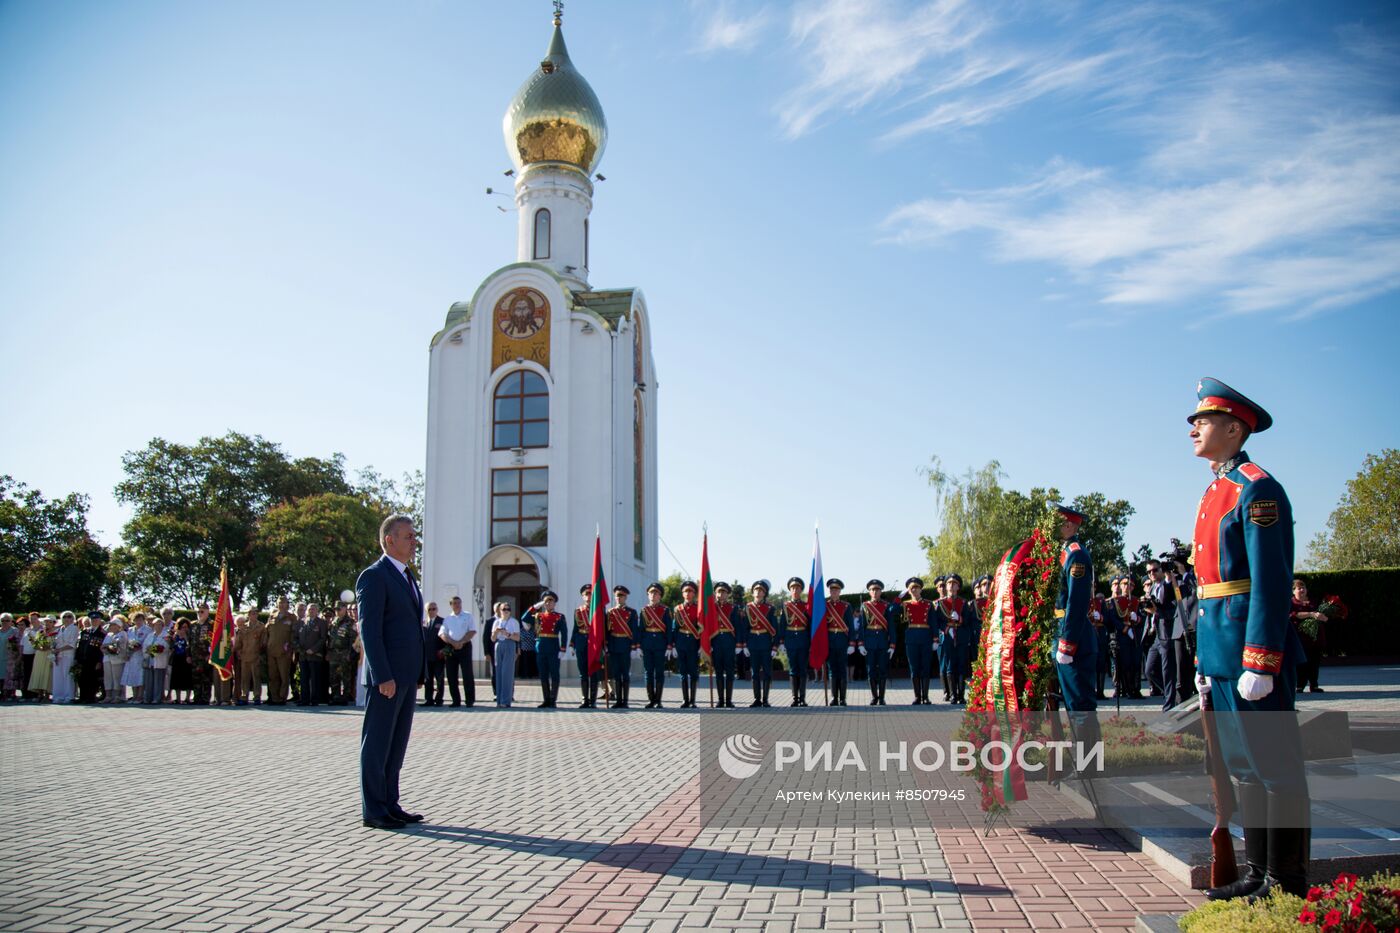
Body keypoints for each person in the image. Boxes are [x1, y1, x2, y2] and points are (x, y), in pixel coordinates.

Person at [1186, 378, 1310, 901]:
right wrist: (1205, 654)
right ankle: (1258, 875)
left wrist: (1261, 658)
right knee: (1243, 768)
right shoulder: (1217, 489)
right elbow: (1209, 585)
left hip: (1250, 652)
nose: (1194, 428)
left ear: (1235, 428)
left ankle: (1286, 883)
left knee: (1275, 767)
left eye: (1204, 420)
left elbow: (1272, 579)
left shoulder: (1257, 488)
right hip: (1221, 647)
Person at [356, 513, 429, 830]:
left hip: (407, 676)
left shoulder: (407, 575)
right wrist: (382, 674)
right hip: (387, 678)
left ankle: (390, 802)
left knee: (396, 743)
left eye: (414, 536)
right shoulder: (374, 576)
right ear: (390, 540)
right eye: (409, 536)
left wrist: (418, 672)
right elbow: (369, 631)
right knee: (377, 743)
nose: (415, 541)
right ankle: (374, 809)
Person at [1052, 505, 1098, 734]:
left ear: (1069, 525)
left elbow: (1077, 603)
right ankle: (1083, 765)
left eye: (1057, 522)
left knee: (1080, 707)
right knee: (1071, 705)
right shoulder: (1064, 552)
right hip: (1060, 631)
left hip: (1074, 639)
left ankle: (1088, 768)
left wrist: (1067, 644)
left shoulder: (1076, 554)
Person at [521, 591, 567, 708]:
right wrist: (536, 606)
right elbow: (524, 618)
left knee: (554, 674)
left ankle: (553, 699)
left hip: (553, 647)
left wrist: (563, 649)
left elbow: (564, 633)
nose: (548, 603)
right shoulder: (538, 616)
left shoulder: (559, 617)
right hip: (541, 647)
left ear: (554, 603)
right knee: (543, 674)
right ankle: (546, 699)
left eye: (550, 601)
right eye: (546, 601)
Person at [739, 580, 778, 708]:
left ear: (764, 593)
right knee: (755, 672)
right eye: (756, 589)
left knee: (767, 672)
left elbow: (774, 628)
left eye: (761, 590)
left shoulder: (770, 608)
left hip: (766, 642)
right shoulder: (747, 608)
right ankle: (757, 699)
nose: (758, 592)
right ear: (753, 592)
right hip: (753, 643)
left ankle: (765, 699)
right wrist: (744, 644)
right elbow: (744, 628)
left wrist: (774, 646)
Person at [861, 580, 897, 706]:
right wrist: (860, 644)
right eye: (872, 590)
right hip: (870, 642)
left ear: (881, 591)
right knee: (871, 671)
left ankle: (881, 697)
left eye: (877, 590)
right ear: (869, 592)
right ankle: (874, 697)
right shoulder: (865, 606)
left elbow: (891, 626)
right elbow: (862, 626)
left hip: (882, 642)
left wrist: (892, 644)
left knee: (882, 670)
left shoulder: (886, 606)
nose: (875, 592)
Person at [638, 583, 672, 709]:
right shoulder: (643, 610)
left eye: (656, 593)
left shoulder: (665, 610)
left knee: (659, 673)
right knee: (648, 673)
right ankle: (651, 700)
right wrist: (639, 646)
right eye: (651, 593)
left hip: (660, 644)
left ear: (660, 596)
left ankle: (658, 700)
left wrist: (669, 646)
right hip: (647, 644)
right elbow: (640, 629)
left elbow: (669, 629)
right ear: (648, 595)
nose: (653, 595)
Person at [821, 579, 855, 707]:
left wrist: (851, 643)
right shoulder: (824, 605)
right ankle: (834, 698)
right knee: (832, 671)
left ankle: (843, 698)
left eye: (836, 590)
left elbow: (850, 625)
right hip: (829, 641)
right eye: (832, 590)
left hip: (842, 640)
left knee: (842, 670)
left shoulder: (846, 606)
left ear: (840, 591)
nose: (834, 592)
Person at [902, 577, 936, 706]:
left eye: (916, 587)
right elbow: (891, 612)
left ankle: (925, 696)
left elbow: (933, 622)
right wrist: (898, 599)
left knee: (926, 667)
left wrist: (935, 639)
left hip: (926, 636)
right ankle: (917, 696)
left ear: (921, 589)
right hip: (911, 638)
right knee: (914, 668)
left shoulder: (928, 604)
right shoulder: (905, 604)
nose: (914, 590)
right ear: (909, 591)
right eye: (911, 588)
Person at [605, 586, 639, 708]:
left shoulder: (632, 612)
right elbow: (607, 631)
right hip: (614, 645)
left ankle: (625, 701)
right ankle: (618, 700)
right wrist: (606, 645)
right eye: (617, 596)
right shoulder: (610, 612)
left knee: (625, 674)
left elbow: (634, 630)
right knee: (616, 674)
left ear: (625, 597)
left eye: (621, 596)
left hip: (625, 645)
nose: (619, 598)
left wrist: (635, 647)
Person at [1290, 579, 1326, 693]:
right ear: (1293, 591)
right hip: (1300, 638)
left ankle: (1314, 685)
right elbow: (1292, 615)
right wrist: (1310, 614)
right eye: (1299, 588)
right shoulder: (1291, 603)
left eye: (1303, 588)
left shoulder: (1313, 602)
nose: (1302, 590)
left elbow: (1323, 616)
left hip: (1314, 638)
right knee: (1301, 663)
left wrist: (1323, 617)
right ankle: (1299, 685)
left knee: (1314, 662)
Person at [781, 577, 811, 708]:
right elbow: (782, 624)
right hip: (790, 639)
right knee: (793, 670)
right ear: (790, 590)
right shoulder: (785, 606)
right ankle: (795, 698)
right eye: (793, 588)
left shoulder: (806, 606)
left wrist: (811, 642)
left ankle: (803, 698)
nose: (795, 590)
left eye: (797, 588)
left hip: (803, 639)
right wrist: (781, 642)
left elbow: (810, 625)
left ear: (801, 590)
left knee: (803, 669)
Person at [711, 583, 741, 708]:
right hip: (716, 642)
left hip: (729, 641)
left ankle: (728, 700)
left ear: (727, 594)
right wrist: (708, 643)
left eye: (724, 592)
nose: (721, 594)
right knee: (718, 672)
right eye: (719, 591)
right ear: (715, 593)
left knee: (729, 672)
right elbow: (707, 627)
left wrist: (738, 644)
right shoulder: (711, 608)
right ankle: (720, 700)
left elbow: (738, 626)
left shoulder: (733, 608)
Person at [326, 601, 361, 706]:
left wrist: (350, 654)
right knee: (334, 676)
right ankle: (335, 696)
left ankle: (345, 697)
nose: (337, 611)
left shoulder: (350, 623)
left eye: (339, 609)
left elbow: (353, 640)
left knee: (345, 676)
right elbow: (329, 638)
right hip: (333, 654)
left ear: (345, 609)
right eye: (336, 609)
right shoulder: (333, 622)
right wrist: (328, 652)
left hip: (345, 653)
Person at [571, 584, 600, 708]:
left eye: (590, 594)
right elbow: (575, 628)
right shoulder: (578, 611)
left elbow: (603, 629)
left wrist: (604, 644)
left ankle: (593, 700)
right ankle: (585, 699)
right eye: (585, 594)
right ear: (582, 596)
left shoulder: (598, 610)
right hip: (581, 642)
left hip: (594, 644)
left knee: (593, 672)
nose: (588, 597)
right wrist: (572, 644)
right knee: (583, 673)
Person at [491, 600, 521, 708]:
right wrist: (496, 632)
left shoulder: (514, 622)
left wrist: (507, 634)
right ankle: (499, 700)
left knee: (507, 673)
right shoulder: (496, 622)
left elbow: (517, 637)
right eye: (504, 609)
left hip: (509, 644)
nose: (506, 611)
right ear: (500, 611)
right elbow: (493, 638)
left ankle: (506, 700)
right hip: (499, 645)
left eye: (508, 609)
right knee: (498, 671)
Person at [234, 606, 266, 706]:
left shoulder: (261, 626)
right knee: (245, 678)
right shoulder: (244, 627)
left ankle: (257, 697)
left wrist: (261, 654)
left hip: (256, 656)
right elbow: (239, 641)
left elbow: (264, 641)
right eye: (252, 613)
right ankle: (244, 697)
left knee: (256, 677)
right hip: (245, 656)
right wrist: (238, 650)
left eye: (256, 613)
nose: (254, 615)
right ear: (248, 615)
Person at [141, 616, 172, 705]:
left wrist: (153, 649)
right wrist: (149, 651)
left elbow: (165, 647)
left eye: (159, 625)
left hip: (160, 661)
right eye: (156, 625)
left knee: (158, 681)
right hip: (149, 660)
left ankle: (157, 698)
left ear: (163, 626)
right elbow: (145, 646)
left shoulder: (166, 635)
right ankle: (148, 698)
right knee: (149, 681)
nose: (157, 626)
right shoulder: (150, 635)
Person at [51, 611, 80, 704]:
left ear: (73, 618)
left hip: (68, 654)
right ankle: (58, 696)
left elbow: (72, 644)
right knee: (58, 676)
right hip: (58, 655)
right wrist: (53, 648)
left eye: (69, 617)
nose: (67, 618)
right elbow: (55, 641)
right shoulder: (59, 629)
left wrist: (59, 650)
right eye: (64, 617)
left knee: (68, 675)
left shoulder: (74, 628)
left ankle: (69, 696)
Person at [189, 604, 214, 706]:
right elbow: (189, 641)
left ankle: (205, 698)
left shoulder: (212, 624)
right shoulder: (193, 624)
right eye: (198, 611)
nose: (200, 614)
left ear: (208, 611)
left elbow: (214, 641)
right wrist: (188, 655)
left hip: (206, 656)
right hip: (194, 656)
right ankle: (197, 697)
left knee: (206, 678)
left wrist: (210, 654)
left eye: (202, 611)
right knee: (196, 678)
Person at [122, 613, 150, 703]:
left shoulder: (147, 630)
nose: (138, 622)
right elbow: (127, 643)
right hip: (131, 656)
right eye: (136, 620)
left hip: (141, 656)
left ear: (143, 620)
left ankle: (140, 696)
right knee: (132, 675)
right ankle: (134, 696)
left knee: (140, 676)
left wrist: (139, 646)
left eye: (140, 620)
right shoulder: (130, 630)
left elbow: (147, 642)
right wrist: (128, 651)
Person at [28, 618, 55, 700]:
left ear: (53, 623)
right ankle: (40, 694)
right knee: (39, 672)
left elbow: (55, 644)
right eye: (46, 622)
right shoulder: (40, 632)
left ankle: (47, 694)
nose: (47, 624)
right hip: (40, 654)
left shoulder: (55, 633)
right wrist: (38, 646)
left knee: (48, 673)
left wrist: (48, 647)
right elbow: (35, 644)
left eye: (50, 622)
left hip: (49, 654)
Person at [169, 619, 193, 704]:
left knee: (188, 678)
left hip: (187, 658)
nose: (184, 629)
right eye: (182, 627)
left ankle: (187, 698)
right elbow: (172, 647)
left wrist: (186, 637)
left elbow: (190, 645)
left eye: (186, 627)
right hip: (177, 658)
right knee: (176, 678)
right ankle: (178, 698)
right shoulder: (175, 635)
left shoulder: (190, 635)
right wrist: (174, 637)